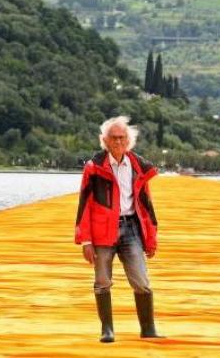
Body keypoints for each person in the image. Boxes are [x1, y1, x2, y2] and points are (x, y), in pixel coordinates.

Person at [74, 115, 163, 343]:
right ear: (104, 140)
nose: (118, 142)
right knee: (102, 281)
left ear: (129, 140)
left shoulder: (138, 167)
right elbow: (84, 205)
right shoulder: (94, 168)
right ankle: (107, 330)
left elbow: (147, 206)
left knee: (142, 281)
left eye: (122, 137)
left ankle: (148, 328)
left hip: (131, 228)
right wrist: (85, 240)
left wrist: (151, 238)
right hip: (102, 232)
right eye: (113, 138)